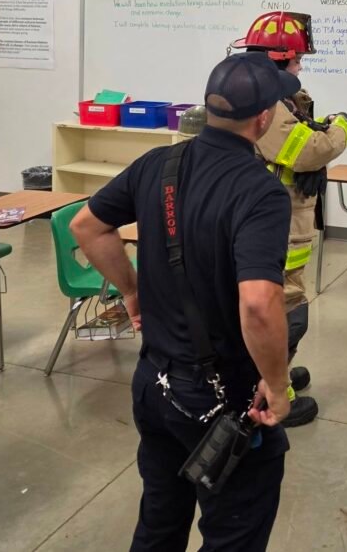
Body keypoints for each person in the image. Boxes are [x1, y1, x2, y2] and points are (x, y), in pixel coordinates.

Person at [69, 52, 297, 552]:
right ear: (262, 119)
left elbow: (86, 226)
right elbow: (259, 303)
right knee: (233, 531)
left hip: (153, 384)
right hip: (222, 398)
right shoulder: (260, 192)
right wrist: (278, 388)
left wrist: (131, 290)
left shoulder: (159, 163)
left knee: (160, 518)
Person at [229, 11, 347, 426]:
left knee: (287, 300)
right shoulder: (264, 103)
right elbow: (306, 151)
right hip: (275, 223)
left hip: (285, 218)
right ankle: (266, 399)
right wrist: (342, 130)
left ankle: (275, 378)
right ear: (276, 60)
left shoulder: (263, 96)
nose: (301, 68)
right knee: (284, 309)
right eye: (297, 60)